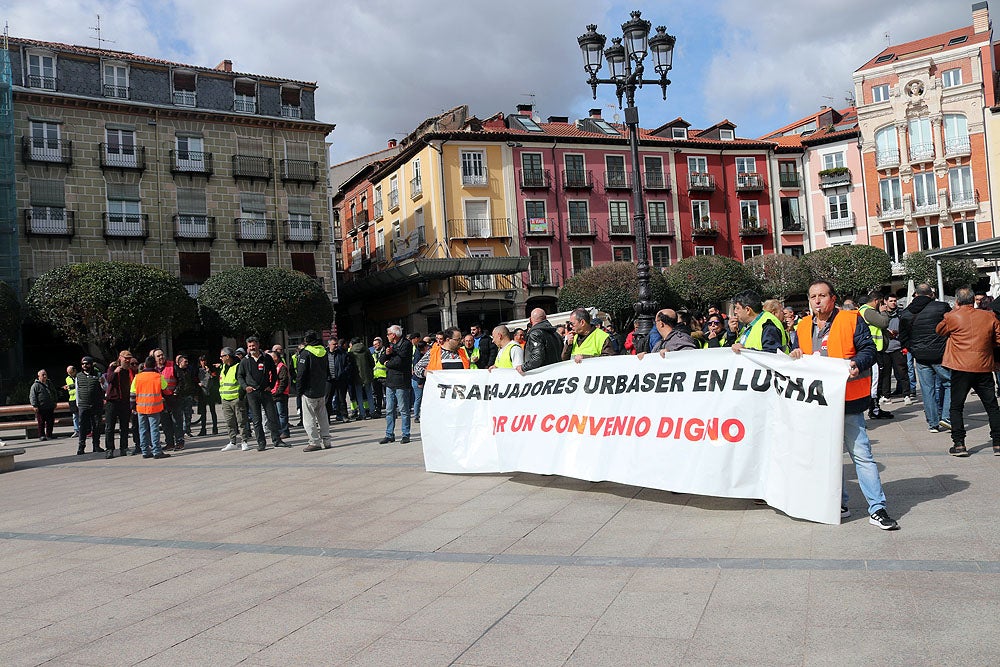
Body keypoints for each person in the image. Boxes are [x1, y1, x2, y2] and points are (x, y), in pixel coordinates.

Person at [790, 279, 899, 530]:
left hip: (848, 401)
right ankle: (839, 502)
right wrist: (794, 353)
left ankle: (877, 508)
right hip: (818, 403)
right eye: (812, 296)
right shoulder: (803, 325)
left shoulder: (851, 319)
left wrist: (857, 363)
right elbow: (796, 352)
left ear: (833, 299)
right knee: (826, 457)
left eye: (822, 296)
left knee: (861, 455)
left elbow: (869, 350)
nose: (817, 301)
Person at [935, 287, 1000, 457]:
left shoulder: (952, 317)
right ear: (974, 300)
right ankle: (998, 443)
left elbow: (939, 331)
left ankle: (959, 444)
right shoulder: (988, 316)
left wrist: (955, 312)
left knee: (956, 406)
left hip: (960, 367)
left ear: (957, 301)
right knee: (992, 406)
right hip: (983, 366)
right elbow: (998, 339)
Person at [899, 283, 952, 433]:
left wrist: (913, 350)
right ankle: (947, 417)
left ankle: (932, 423)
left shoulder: (907, 312)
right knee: (950, 383)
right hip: (940, 354)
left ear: (916, 294)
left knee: (927, 390)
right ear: (931, 294)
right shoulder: (941, 307)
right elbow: (951, 327)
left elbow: (903, 337)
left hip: (920, 356)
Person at [237, 336, 287, 450]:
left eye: (253, 345)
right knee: (257, 419)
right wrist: (245, 387)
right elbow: (240, 376)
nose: (251, 348)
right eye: (249, 346)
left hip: (265, 392)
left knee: (272, 416)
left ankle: (277, 440)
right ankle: (261, 442)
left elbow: (274, 372)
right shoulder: (245, 360)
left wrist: (271, 385)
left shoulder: (266, 358)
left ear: (258, 345)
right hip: (252, 393)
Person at [859, 291, 894, 421]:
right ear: (876, 301)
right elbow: (883, 322)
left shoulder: (865, 310)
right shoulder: (868, 311)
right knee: (875, 382)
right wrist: (884, 312)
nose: (882, 305)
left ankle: (875, 407)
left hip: (874, 350)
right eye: (881, 303)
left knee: (876, 381)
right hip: (873, 351)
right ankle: (874, 409)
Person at [297, 331, 332, 452]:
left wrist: (299, 390)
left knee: (309, 418)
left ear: (306, 340)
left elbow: (301, 374)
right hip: (321, 389)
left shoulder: (305, 353)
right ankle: (327, 440)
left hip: (309, 390)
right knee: (323, 416)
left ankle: (314, 442)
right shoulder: (323, 351)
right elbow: (327, 370)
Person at [129, 356, 170, 459]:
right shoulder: (158, 376)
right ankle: (156, 451)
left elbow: (132, 393)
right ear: (154, 365)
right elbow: (165, 388)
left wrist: (132, 406)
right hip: (154, 407)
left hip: (141, 407)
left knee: (142, 429)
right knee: (154, 429)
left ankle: (145, 451)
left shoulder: (137, 377)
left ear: (145, 365)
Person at [379, 324, 413, 445]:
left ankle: (405, 434)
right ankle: (389, 434)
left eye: (388, 334)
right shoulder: (390, 345)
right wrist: (387, 354)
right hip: (390, 381)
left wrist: (388, 363)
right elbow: (381, 359)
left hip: (402, 381)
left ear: (393, 335)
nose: (387, 336)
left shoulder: (406, 344)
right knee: (389, 409)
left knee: (403, 409)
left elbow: (400, 362)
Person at [218, 347, 252, 452]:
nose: (220, 358)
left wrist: (240, 396)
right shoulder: (223, 367)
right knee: (229, 422)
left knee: (241, 421)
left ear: (227, 356)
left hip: (236, 399)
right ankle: (232, 441)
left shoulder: (238, 366)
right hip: (225, 399)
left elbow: (242, 381)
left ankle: (244, 441)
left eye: (222, 356)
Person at [881, 295, 913, 404]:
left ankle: (907, 395)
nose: (893, 303)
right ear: (885, 302)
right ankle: (886, 395)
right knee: (885, 373)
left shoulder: (901, 314)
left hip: (898, 347)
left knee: (902, 372)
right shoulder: (881, 315)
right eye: (891, 301)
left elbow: (906, 329)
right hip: (885, 348)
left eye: (895, 300)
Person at [103, 350, 136, 457]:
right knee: (109, 427)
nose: (127, 360)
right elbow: (108, 379)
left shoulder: (130, 370)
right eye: (125, 358)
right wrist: (115, 372)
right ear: (120, 358)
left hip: (125, 402)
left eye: (129, 358)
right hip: (112, 401)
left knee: (125, 426)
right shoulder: (113, 367)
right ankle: (109, 449)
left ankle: (124, 448)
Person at [152, 349, 183, 452]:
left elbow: (181, 380)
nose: (161, 357)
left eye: (162, 355)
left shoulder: (172, 365)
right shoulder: (153, 369)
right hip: (161, 400)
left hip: (173, 398)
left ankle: (179, 442)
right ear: (154, 359)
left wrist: (176, 392)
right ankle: (169, 443)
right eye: (158, 356)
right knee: (165, 423)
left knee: (176, 421)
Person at [74, 356, 105, 455]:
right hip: (83, 405)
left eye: (86, 364)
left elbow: (105, 388)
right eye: (83, 364)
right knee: (83, 426)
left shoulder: (98, 375)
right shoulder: (78, 376)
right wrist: (78, 404)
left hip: (96, 404)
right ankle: (81, 446)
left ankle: (96, 445)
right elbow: (77, 391)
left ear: (91, 364)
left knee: (96, 425)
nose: (84, 366)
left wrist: (102, 383)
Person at [520, 308, 563, 373]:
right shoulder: (556, 334)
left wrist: (523, 368)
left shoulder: (535, 334)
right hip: (557, 373)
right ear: (545, 318)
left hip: (541, 376)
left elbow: (537, 358)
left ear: (530, 320)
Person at [326, 338, 355, 423]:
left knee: (341, 398)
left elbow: (348, 364)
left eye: (336, 344)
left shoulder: (342, 353)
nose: (336, 346)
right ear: (329, 345)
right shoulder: (325, 354)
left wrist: (343, 372)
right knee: (327, 399)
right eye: (334, 344)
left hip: (340, 379)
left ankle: (344, 415)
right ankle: (327, 418)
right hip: (329, 379)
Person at [349, 336, 376, 420]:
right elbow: (372, 362)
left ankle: (362, 413)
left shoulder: (351, 352)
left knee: (359, 395)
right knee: (369, 394)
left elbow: (350, 365)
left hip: (357, 376)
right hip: (367, 375)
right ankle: (372, 411)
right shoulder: (366, 350)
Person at [173, 355, 199, 442]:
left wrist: (194, 393)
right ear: (180, 362)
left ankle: (187, 430)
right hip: (179, 396)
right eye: (185, 362)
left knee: (188, 414)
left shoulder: (189, 371)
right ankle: (181, 432)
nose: (187, 364)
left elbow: (192, 382)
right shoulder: (176, 371)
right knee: (180, 416)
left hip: (188, 395)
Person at [29, 369, 58, 441]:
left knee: (50, 421)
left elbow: (54, 392)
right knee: (41, 422)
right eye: (43, 375)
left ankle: (49, 435)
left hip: (50, 406)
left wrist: (55, 401)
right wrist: (34, 405)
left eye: (45, 374)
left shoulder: (49, 383)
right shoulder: (35, 385)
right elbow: (32, 396)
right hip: (41, 407)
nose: (45, 376)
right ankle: (41, 435)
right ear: (39, 376)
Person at [269, 349, 292, 439]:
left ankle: (284, 431)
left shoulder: (282, 367)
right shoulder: (272, 367)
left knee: (282, 414)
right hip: (273, 393)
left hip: (281, 394)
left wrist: (278, 392)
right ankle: (278, 431)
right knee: (275, 415)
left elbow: (284, 381)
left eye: (272, 357)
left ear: (277, 358)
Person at [196, 355, 219, 436]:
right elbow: (195, 379)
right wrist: (198, 384)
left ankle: (215, 428)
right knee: (203, 412)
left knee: (213, 411)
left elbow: (215, 377)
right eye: (202, 361)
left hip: (211, 392)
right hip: (202, 392)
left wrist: (209, 372)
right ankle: (203, 429)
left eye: (204, 360)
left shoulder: (211, 369)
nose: (203, 362)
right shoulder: (198, 370)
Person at [371, 337, 387, 416]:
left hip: (385, 376)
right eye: (374, 345)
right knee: (378, 395)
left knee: (388, 394)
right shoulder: (373, 353)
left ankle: (390, 410)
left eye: (376, 344)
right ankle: (378, 410)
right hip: (376, 377)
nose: (375, 346)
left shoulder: (386, 352)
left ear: (380, 343)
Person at [64, 365, 79, 438]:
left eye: (71, 372)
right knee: (75, 416)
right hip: (72, 399)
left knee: (83, 415)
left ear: (75, 371)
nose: (70, 374)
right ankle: (76, 430)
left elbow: (77, 385)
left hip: (80, 398)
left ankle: (84, 430)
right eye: (68, 373)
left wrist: (70, 387)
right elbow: (71, 388)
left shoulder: (80, 376)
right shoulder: (67, 378)